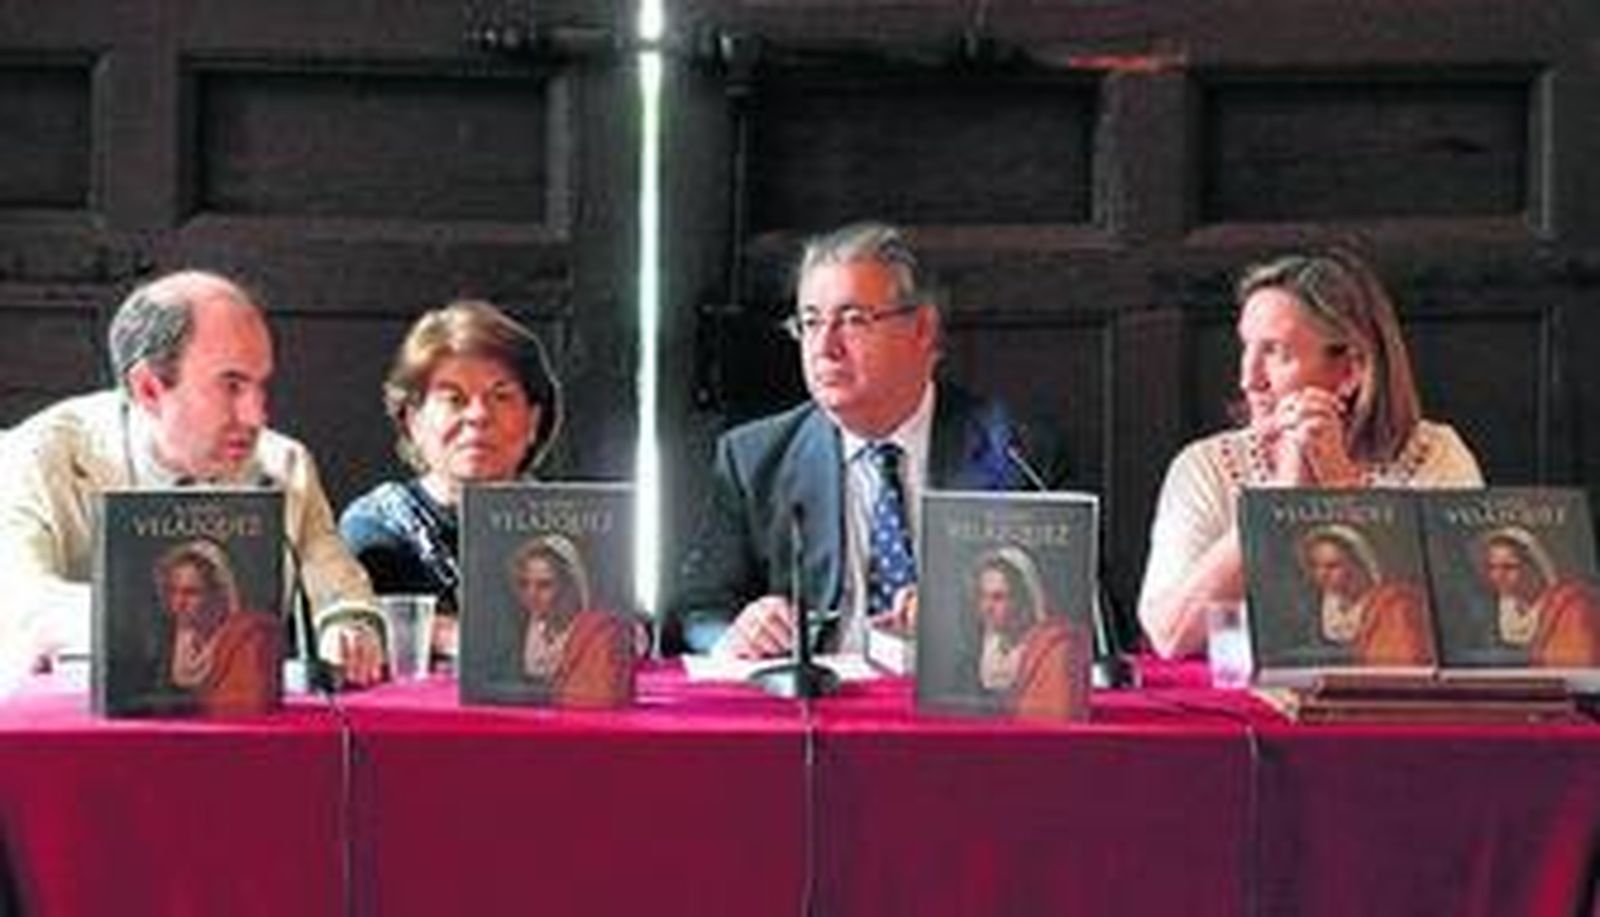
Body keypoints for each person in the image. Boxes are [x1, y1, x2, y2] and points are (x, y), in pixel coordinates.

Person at [673, 220, 1069, 658]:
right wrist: (736, 634)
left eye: (853, 320)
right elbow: (699, 610)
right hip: (816, 709)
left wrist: (965, 618)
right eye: (810, 322)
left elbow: (1069, 616)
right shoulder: (754, 458)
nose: (825, 346)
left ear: (922, 329)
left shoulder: (1016, 453)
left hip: (962, 710)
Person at [0, 270, 386, 684]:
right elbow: (22, 603)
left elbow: (344, 596)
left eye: (260, 385)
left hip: (240, 725)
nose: (257, 416)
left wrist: (350, 629)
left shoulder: (283, 464)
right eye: (232, 386)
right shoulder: (39, 456)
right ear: (149, 389)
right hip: (74, 730)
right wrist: (165, 623)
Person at [1139, 249, 1483, 658]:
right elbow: (1170, 636)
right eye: (1247, 347)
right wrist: (1277, 501)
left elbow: (1462, 626)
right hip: (1240, 713)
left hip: (1395, 714)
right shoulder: (1205, 465)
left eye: (1275, 353)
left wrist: (1338, 487)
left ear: (1351, 369)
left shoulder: (1437, 456)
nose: (1248, 379)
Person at [340, 300, 562, 663]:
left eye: (501, 396)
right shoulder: (375, 528)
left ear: (534, 420)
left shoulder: (573, 524)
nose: (478, 416)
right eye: (454, 399)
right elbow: (359, 619)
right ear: (412, 419)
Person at [156, 539, 281, 715]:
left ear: (219, 594)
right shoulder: (167, 641)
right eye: (172, 591)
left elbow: (247, 707)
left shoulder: (247, 638)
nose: (179, 603)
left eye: (191, 592)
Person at [509, 534, 629, 706]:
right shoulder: (524, 630)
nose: (531, 594)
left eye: (545, 585)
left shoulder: (597, 634)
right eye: (525, 584)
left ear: (569, 586)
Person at [970, 546, 1083, 718]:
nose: (987, 608)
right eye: (982, 596)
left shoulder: (1054, 649)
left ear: (1023, 599)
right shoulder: (983, 649)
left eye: (998, 597)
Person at [1295, 525, 1431, 666]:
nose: (1321, 574)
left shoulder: (1394, 605)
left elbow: (1403, 664)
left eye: (1333, 566)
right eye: (1315, 566)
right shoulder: (1311, 610)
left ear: (1358, 565)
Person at [1475, 526, 1600, 667]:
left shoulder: (1572, 607)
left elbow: (1579, 667)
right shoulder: (1494, 612)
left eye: (1510, 567)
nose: (1498, 576)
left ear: (1536, 567)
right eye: (1492, 567)